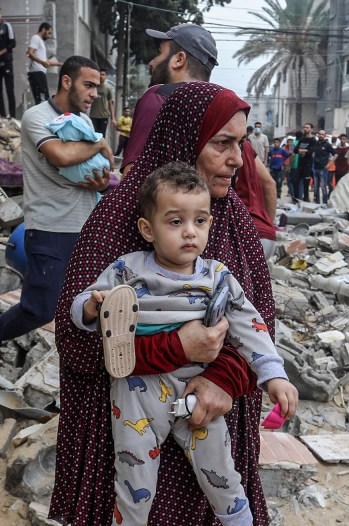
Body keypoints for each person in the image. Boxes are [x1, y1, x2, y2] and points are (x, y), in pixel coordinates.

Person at [51, 82, 277, 524]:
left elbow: (260, 319)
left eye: (241, 144)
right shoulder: (117, 219)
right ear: (185, 140)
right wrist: (175, 348)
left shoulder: (235, 221)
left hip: (209, 429)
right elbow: (76, 340)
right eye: (222, 143)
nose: (237, 159)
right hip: (129, 436)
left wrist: (225, 377)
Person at [71, 162, 297, 525]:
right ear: (147, 229)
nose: (190, 232)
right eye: (175, 221)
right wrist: (91, 308)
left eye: (200, 221)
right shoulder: (127, 269)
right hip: (136, 394)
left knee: (223, 476)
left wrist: (274, 374)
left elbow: (250, 325)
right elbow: (83, 303)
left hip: (197, 393)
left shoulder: (218, 276)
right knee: (133, 484)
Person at [0, 56, 111, 364]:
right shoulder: (37, 116)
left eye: (96, 87)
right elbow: (61, 155)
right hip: (50, 227)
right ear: (67, 81)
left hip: (84, 226)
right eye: (88, 85)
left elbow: (96, 167)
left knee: (82, 303)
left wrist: (101, 182)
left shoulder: (84, 120)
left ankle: (72, 360)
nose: (94, 94)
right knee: (41, 308)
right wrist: (99, 144)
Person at [122, 23, 217, 173]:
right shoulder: (219, 107)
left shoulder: (158, 97)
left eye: (160, 53)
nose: (152, 62)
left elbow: (135, 173)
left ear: (179, 59)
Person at [27, 22, 60, 105]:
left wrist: (60, 64)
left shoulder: (40, 41)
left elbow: (45, 61)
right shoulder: (36, 38)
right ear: (43, 29)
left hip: (40, 73)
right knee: (42, 100)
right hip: (36, 73)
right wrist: (41, 62)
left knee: (44, 99)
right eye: (49, 33)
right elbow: (30, 53)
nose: (49, 36)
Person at [291, 123, 317, 201]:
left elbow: (311, 150)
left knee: (306, 183)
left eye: (307, 127)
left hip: (307, 164)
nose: (305, 129)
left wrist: (302, 150)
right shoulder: (301, 139)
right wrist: (303, 150)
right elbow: (295, 150)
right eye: (304, 127)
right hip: (300, 164)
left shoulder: (313, 140)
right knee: (295, 181)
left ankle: (306, 199)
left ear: (311, 129)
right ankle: (296, 199)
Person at [311, 129, 334, 203]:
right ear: (318, 135)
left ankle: (324, 202)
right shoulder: (315, 144)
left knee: (323, 187)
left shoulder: (327, 145)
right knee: (316, 187)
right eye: (320, 134)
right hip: (315, 168)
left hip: (323, 169)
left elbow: (335, 154)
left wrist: (329, 164)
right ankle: (317, 201)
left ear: (325, 135)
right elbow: (312, 152)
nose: (321, 135)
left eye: (322, 134)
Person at [89, 67, 114, 136]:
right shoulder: (92, 87)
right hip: (93, 115)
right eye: (100, 74)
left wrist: (113, 118)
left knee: (102, 136)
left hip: (104, 116)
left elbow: (110, 103)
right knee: (93, 136)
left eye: (103, 75)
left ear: (106, 76)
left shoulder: (108, 89)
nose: (101, 76)